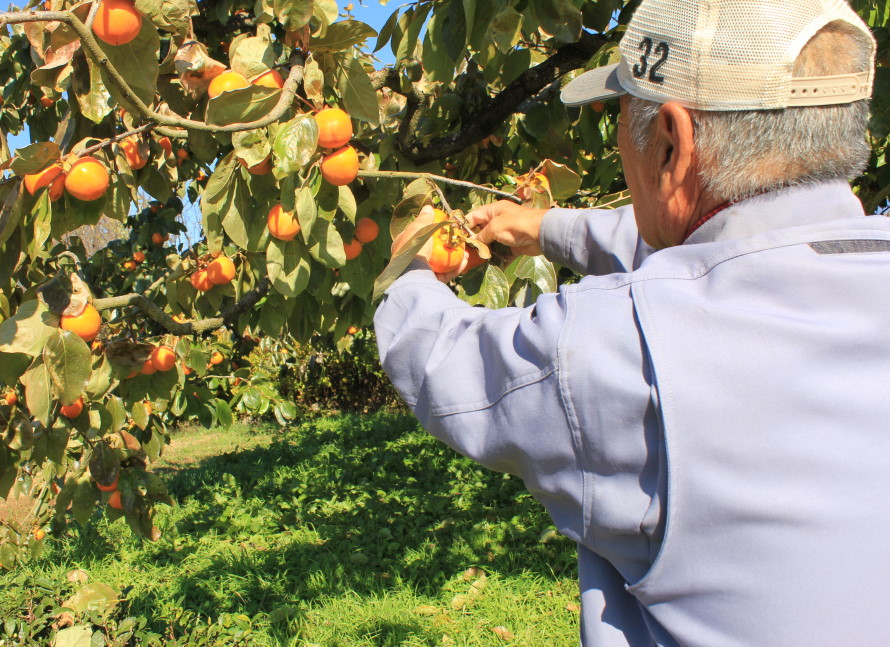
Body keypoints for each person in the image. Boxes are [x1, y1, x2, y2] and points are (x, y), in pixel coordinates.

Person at [374, 0, 890, 645]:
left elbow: (439, 357)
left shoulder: (616, 347)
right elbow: (718, 245)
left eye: (623, 118)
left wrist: (413, 269)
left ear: (672, 143)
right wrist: (546, 229)